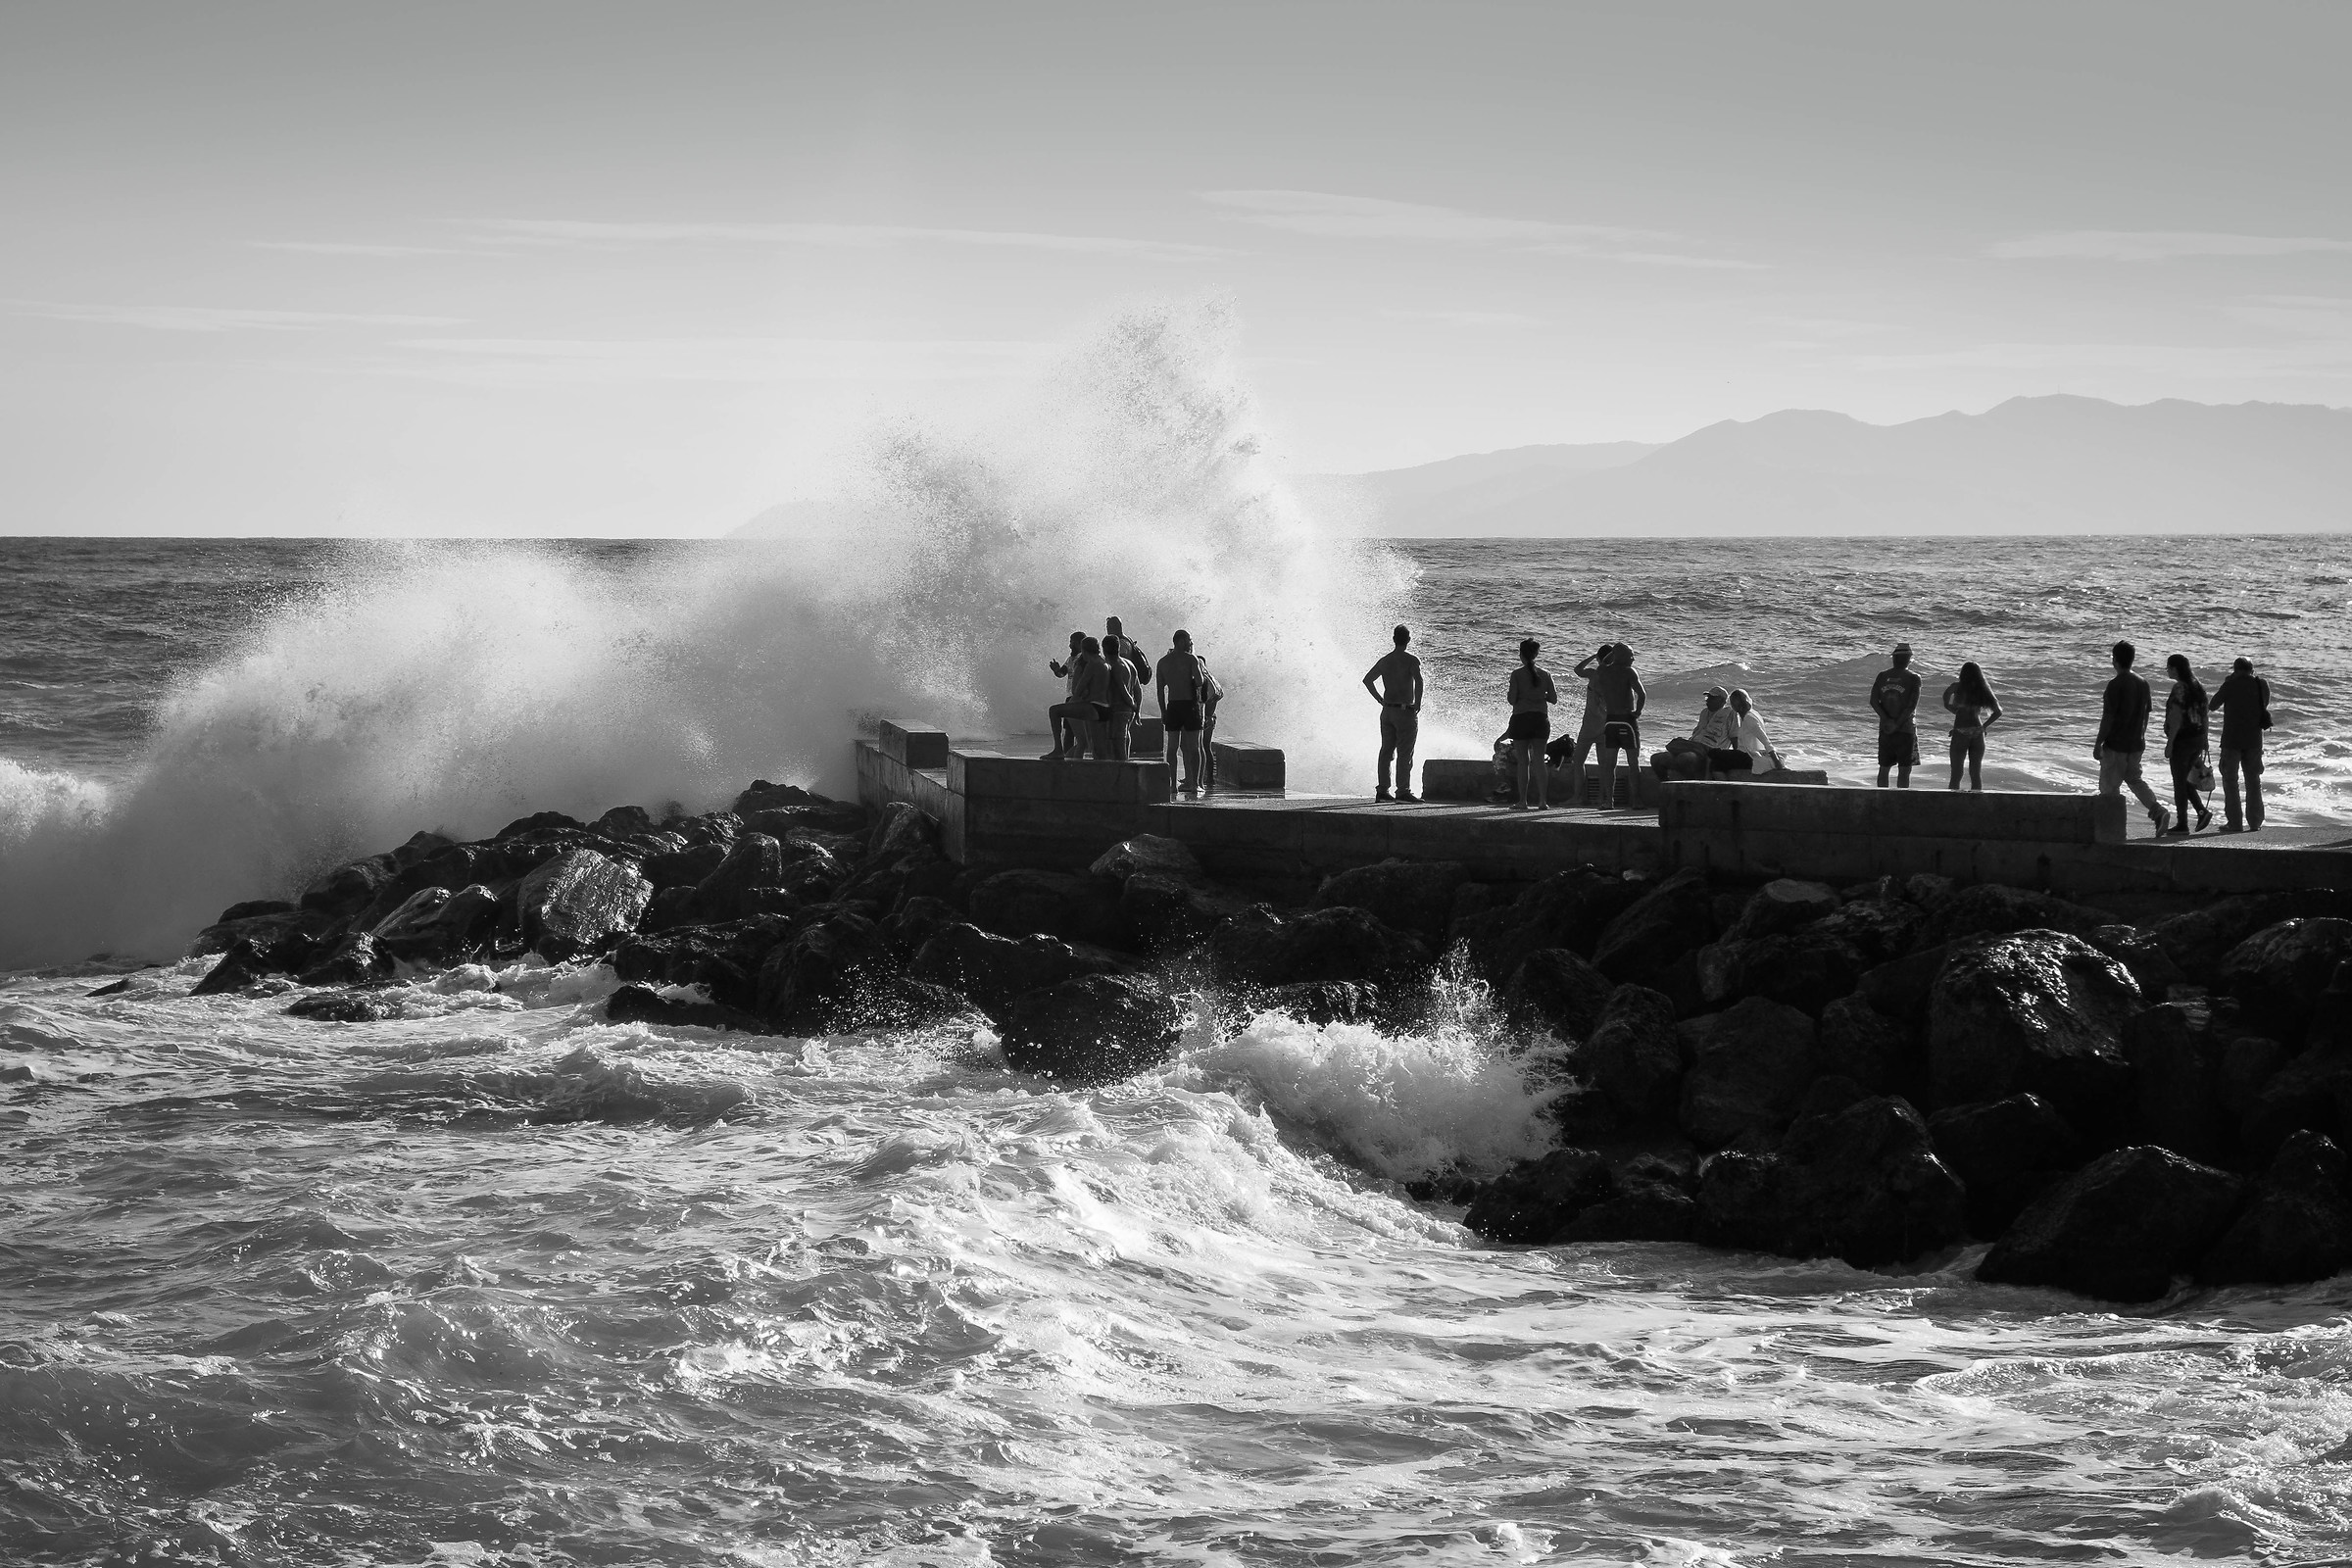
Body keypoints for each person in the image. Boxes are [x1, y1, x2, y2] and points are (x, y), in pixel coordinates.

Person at [2093, 639, 2171, 834]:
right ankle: (2158, 810)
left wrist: (2098, 743)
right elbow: (2147, 713)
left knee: (2109, 788)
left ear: (2115, 660)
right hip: (2136, 743)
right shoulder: (2143, 683)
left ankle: (2112, 829)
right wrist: (2140, 737)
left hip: (2116, 744)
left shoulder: (2115, 684)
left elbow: (2108, 717)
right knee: (2135, 780)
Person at [1362, 624, 1424, 803]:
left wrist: (1379, 700)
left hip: (1387, 711)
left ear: (1393, 639)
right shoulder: (1412, 660)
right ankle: (1403, 791)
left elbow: (1367, 680)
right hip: (1405, 711)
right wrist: (1417, 703)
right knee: (1405, 753)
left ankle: (1382, 791)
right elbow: (1419, 681)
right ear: (1408, 640)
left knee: (1386, 752)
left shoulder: (1385, 660)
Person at [2209, 656, 2271, 832]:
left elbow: (2213, 705)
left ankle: (2235, 823)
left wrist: (2228, 682)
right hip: (2254, 740)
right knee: (2253, 781)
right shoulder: (2261, 684)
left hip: (2231, 740)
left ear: (2234, 669)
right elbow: (2264, 704)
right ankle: (2255, 822)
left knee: (2230, 781)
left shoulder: (2230, 684)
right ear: (2252, 670)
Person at [1589, 643, 1647, 809]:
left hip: (1610, 721)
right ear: (1623, 657)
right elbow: (1642, 694)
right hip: (1627, 721)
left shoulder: (1602, 671)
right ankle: (1636, 800)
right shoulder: (1629, 671)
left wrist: (1613, 653)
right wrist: (1638, 711)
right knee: (1633, 763)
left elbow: (1596, 692)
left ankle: (1608, 801)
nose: (1633, 659)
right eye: (1631, 655)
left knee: (1609, 763)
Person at [2162, 654, 2214, 834]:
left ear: (2175, 668)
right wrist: (2205, 739)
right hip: (2197, 738)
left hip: (2182, 740)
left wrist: (2170, 743)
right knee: (2184, 779)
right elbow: (2205, 715)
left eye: (2168, 667)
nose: (2167, 671)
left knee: (2179, 781)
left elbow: (2176, 718)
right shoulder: (2197, 686)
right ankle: (2201, 812)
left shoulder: (2180, 688)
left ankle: (2183, 824)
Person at [1557, 643, 1615, 805]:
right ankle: (1602, 798)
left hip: (1589, 727)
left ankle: (1577, 797)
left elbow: (1577, 669)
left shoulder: (1593, 674)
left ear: (1599, 659)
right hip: (1605, 726)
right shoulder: (1613, 677)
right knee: (1603, 765)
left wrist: (1593, 657)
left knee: (1578, 761)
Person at [1156, 629, 1210, 798]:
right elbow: (1200, 681)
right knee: (1194, 747)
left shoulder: (1162, 662)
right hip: (1189, 706)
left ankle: (1172, 785)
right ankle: (1195, 785)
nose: (1190, 643)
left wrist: (1163, 711)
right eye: (1189, 640)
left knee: (1172, 748)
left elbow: (1159, 690)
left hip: (1172, 706)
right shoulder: (1191, 659)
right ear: (1180, 641)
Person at [1505, 637, 1557, 808]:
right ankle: (1543, 801)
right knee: (1539, 761)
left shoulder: (1517, 674)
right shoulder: (1546, 674)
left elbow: (1512, 700)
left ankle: (1523, 801)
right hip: (1540, 719)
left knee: (1523, 761)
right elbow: (1553, 699)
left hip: (1521, 718)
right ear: (1536, 654)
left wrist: (1523, 695)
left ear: (1521, 655)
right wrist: (1539, 696)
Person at [1652, 686, 1747, 780]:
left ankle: (1694, 786)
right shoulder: (1704, 713)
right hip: (1692, 746)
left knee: (1685, 758)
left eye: (1712, 698)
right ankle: (1666, 786)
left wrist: (1737, 758)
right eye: (1707, 697)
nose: (1707, 700)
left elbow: (1734, 738)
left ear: (1722, 701)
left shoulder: (1730, 713)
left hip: (1710, 752)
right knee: (1656, 758)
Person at [1941, 662, 2003, 792]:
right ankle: (1976, 805)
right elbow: (1998, 712)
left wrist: (1956, 711)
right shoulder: (1983, 689)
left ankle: (1952, 804)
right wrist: (1984, 727)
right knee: (1975, 774)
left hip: (1960, 731)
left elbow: (1946, 701)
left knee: (1956, 774)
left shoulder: (1956, 687)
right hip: (1977, 731)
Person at [1872, 643, 1922, 788]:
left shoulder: (1882, 676)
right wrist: (1897, 724)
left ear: (1894, 658)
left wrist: (1887, 720)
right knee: (1905, 770)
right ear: (1909, 659)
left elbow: (1874, 701)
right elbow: (1911, 706)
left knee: (1884, 768)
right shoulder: (1914, 677)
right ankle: (1902, 801)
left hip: (1885, 729)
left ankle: (1881, 800)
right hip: (1906, 729)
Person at [1043, 631, 1092, 759]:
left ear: (1080, 644)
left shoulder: (1084, 658)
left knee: (1074, 730)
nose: (1070, 645)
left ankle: (1066, 753)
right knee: (1068, 729)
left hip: (1079, 697)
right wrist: (1056, 670)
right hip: (1070, 696)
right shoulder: (1070, 659)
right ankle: (1065, 753)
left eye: (1072, 642)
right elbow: (1062, 674)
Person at [1102, 633, 1142, 760]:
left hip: (1118, 709)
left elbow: (1123, 691)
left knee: (1117, 744)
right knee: (1124, 738)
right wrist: (1137, 709)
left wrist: (1134, 706)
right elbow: (1138, 690)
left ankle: (1122, 770)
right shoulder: (1130, 664)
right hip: (1126, 711)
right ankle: (1124, 765)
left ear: (1104, 648)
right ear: (1119, 647)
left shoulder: (1115, 666)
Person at [1728, 688, 1781, 775]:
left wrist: (1776, 761)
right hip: (1746, 755)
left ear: (1735, 706)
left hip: (1749, 757)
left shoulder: (1749, 718)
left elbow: (1766, 741)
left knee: (1714, 755)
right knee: (1717, 756)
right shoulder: (1750, 714)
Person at [1198, 657, 1224, 789]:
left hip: (1205, 718)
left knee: (1200, 747)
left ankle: (1204, 777)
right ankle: (1209, 778)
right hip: (1210, 718)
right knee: (1206, 747)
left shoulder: (1203, 681)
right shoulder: (1213, 681)